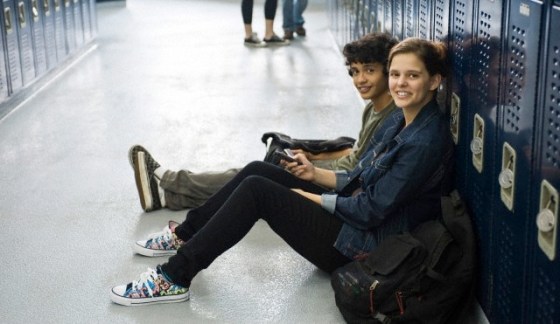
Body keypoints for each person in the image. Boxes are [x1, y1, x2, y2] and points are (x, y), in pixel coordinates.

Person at [110, 37, 454, 307]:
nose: (400, 83)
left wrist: (313, 200)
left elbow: (371, 210)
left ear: (434, 80)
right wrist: (313, 176)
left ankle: (174, 277)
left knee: (258, 191)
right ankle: (186, 233)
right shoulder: (399, 118)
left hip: (361, 247)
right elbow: (357, 176)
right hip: (353, 221)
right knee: (260, 168)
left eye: (413, 75)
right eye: (396, 74)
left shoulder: (424, 141)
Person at [131, 32, 399, 213]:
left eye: (370, 71)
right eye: (355, 71)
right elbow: (358, 154)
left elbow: (358, 173)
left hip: (334, 186)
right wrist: (314, 156)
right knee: (256, 170)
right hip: (332, 174)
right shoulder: (374, 108)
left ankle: (169, 180)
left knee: (254, 173)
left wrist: (315, 165)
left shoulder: (391, 118)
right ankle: (168, 196)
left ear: (388, 71)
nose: (360, 79)